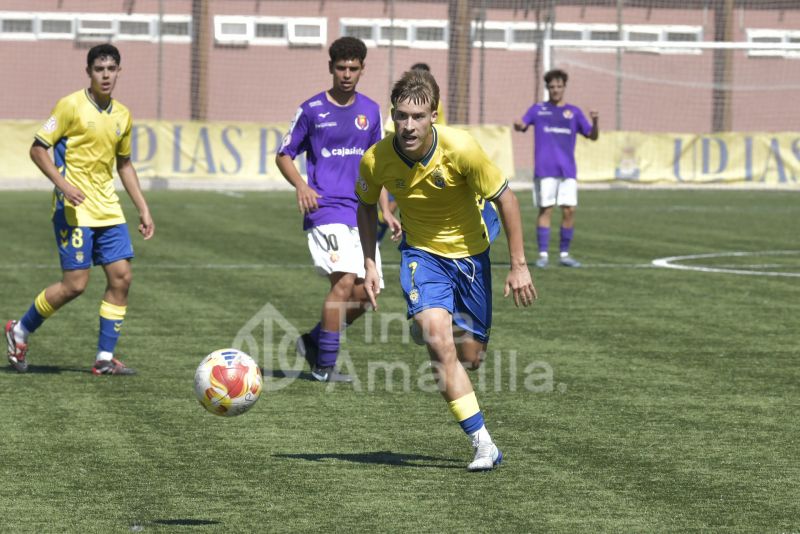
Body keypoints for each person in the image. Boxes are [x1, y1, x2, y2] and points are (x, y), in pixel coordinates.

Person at [356, 69, 537, 471]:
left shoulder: (462, 149)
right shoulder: (376, 159)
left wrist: (519, 266)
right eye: (401, 116)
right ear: (391, 115)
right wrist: (369, 262)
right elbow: (365, 206)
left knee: (471, 358)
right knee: (439, 343)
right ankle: (483, 443)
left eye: (418, 117)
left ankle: (431, 321)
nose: (408, 126)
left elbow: (507, 200)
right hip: (421, 255)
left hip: (472, 256)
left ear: (433, 116)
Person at [5, 43, 155, 375]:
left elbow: (124, 164)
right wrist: (64, 185)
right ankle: (20, 330)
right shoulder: (70, 105)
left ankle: (104, 358)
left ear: (119, 72)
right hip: (73, 209)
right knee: (75, 285)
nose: (105, 75)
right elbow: (37, 149)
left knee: (122, 278)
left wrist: (143, 208)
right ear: (88, 72)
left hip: (108, 209)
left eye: (111, 69)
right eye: (99, 69)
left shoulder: (123, 115)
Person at [276, 36, 396, 383]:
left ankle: (314, 341)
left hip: (361, 212)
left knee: (367, 292)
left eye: (353, 68)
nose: (346, 74)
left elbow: (377, 167)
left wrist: (386, 210)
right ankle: (324, 367)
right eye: (341, 67)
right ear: (331, 67)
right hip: (325, 208)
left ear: (362, 69)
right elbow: (284, 154)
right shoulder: (312, 110)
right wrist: (302, 186)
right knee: (344, 282)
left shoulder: (371, 111)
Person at [514, 68, 598, 268]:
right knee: (546, 210)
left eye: (559, 86)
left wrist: (595, 121)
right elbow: (522, 125)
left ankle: (564, 255)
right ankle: (543, 255)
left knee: (569, 211)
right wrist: (518, 124)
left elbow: (592, 136)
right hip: (545, 170)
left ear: (564, 87)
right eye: (552, 86)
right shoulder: (538, 109)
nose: (555, 90)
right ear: (547, 88)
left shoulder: (574, 112)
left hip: (568, 170)